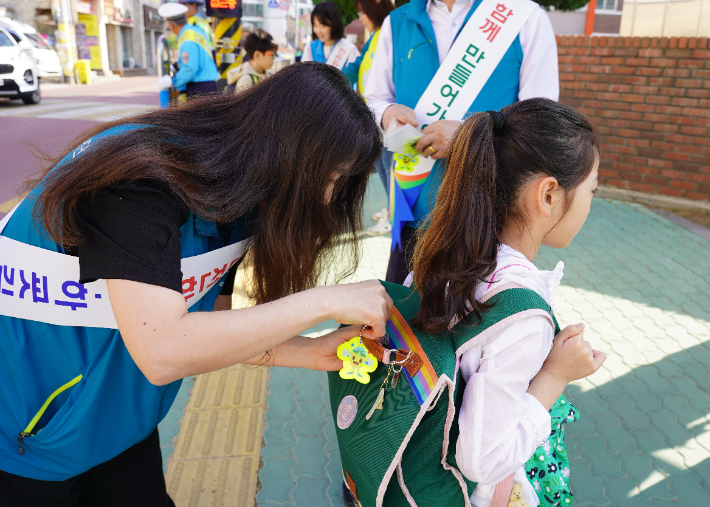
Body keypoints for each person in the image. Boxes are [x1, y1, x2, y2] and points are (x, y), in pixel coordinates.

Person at [0, 64, 392, 507]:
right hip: (28, 430)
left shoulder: (240, 195)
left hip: (117, 416)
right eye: (330, 178)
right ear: (287, 150)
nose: (327, 198)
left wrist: (306, 349)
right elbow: (163, 351)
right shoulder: (141, 181)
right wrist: (325, 301)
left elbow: (211, 320)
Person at [328, 99, 606, 507]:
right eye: (592, 190)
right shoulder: (522, 315)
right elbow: (483, 459)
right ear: (548, 194)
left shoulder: (444, 252)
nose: (591, 202)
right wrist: (556, 376)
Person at [364, 0, 559, 284]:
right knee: (400, 321)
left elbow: (540, 125)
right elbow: (373, 100)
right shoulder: (397, 22)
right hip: (411, 214)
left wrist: (468, 136)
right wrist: (386, 113)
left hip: (489, 223)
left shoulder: (522, 17)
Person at [340, 0, 396, 238]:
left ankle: (393, 216)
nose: (360, 17)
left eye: (362, 12)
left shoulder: (392, 33)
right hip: (375, 116)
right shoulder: (375, 36)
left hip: (391, 118)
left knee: (391, 171)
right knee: (384, 168)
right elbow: (355, 67)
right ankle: (391, 212)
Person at [157, 2, 219, 98]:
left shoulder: (187, 40)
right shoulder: (195, 31)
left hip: (200, 89)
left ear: (170, 25)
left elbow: (190, 69)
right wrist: (177, 65)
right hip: (208, 86)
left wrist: (172, 81)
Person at [302, 2, 359, 70]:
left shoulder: (350, 49)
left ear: (334, 24)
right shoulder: (310, 48)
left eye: (323, 26)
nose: (318, 31)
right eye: (315, 26)